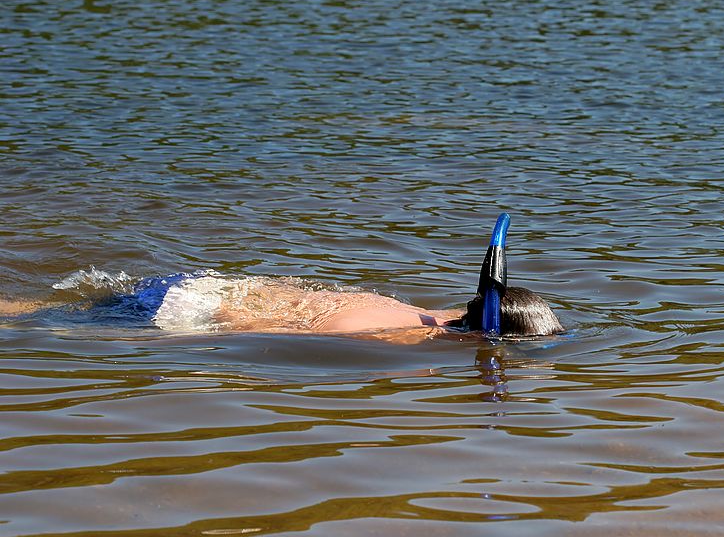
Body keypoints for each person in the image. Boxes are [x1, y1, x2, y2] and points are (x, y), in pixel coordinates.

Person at [0, 215, 563, 341]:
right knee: (35, 314)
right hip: (192, 308)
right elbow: (261, 327)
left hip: (206, 284)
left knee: (55, 306)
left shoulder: (423, 313)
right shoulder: (391, 333)